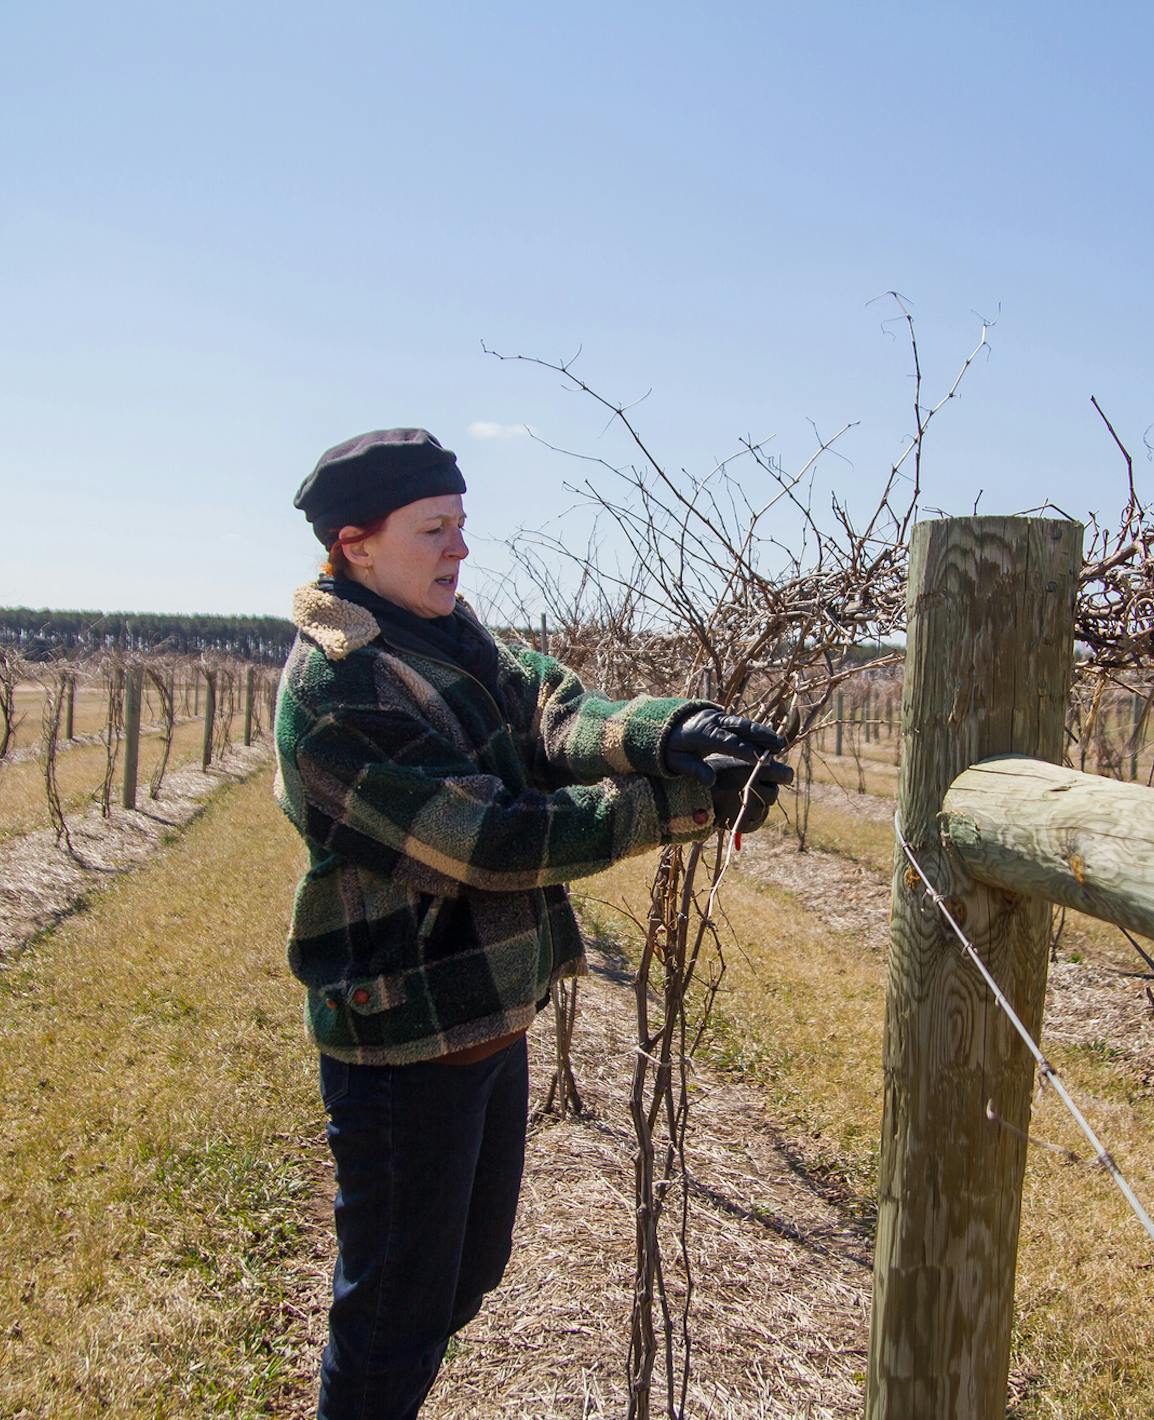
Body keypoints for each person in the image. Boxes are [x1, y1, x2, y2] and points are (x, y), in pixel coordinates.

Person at [272, 427, 793, 1419]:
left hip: (487, 1015)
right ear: (356, 543)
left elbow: (552, 710)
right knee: (392, 1314)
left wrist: (667, 733)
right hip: (406, 1038)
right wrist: (680, 808)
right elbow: (485, 840)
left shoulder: (448, 634)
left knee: (464, 1276)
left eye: (462, 523)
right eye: (434, 528)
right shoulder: (337, 688)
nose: (460, 548)